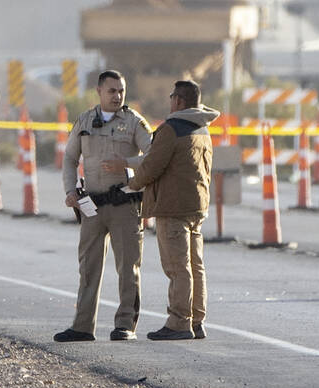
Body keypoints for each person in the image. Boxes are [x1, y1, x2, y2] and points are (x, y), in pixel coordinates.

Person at [55, 70, 152, 343]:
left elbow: (153, 153)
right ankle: (82, 326)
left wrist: (128, 163)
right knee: (88, 267)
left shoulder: (133, 122)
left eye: (121, 91)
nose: (117, 96)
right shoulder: (85, 121)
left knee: (127, 267)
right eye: (112, 91)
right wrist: (70, 190)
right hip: (92, 206)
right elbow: (70, 158)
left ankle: (125, 325)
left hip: (123, 203)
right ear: (99, 91)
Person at [126, 79, 219, 341]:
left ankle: (179, 322)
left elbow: (153, 165)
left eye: (171, 97)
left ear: (178, 100)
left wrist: (132, 184)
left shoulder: (171, 129)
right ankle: (196, 320)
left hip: (173, 207)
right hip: (197, 205)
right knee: (195, 265)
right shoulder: (202, 128)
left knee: (177, 267)